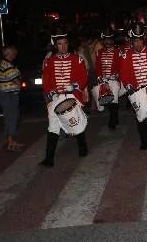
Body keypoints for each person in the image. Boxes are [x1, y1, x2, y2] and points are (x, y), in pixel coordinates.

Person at [40, 31, 89, 167]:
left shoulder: (76, 59)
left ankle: (83, 148)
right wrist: (51, 93)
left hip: (72, 95)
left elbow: (84, 78)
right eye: (60, 44)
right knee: (53, 127)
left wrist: (74, 86)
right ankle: (49, 159)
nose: (63, 46)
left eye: (65, 43)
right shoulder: (49, 62)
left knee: (76, 122)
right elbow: (46, 81)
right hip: (56, 97)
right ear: (55, 46)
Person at [119, 26, 147, 153]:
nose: (137, 44)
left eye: (139, 41)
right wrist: (128, 86)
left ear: (143, 40)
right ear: (132, 41)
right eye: (135, 41)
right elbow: (123, 75)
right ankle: (144, 141)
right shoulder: (126, 56)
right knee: (140, 117)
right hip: (136, 93)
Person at [94, 28, 121, 130]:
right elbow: (97, 67)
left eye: (109, 39)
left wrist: (117, 74)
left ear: (112, 40)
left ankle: (112, 121)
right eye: (106, 39)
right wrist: (99, 77)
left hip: (114, 80)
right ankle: (115, 117)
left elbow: (121, 66)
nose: (107, 42)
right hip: (103, 80)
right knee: (106, 100)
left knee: (114, 99)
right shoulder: (99, 52)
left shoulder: (118, 52)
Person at [0, 46, 24, 151]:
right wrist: (20, 84)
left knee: (11, 117)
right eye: (13, 52)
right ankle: (10, 142)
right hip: (9, 95)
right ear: (8, 53)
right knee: (12, 117)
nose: (15, 54)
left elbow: (17, 75)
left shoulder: (7, 64)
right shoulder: (7, 65)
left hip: (8, 95)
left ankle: (11, 140)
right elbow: (16, 79)